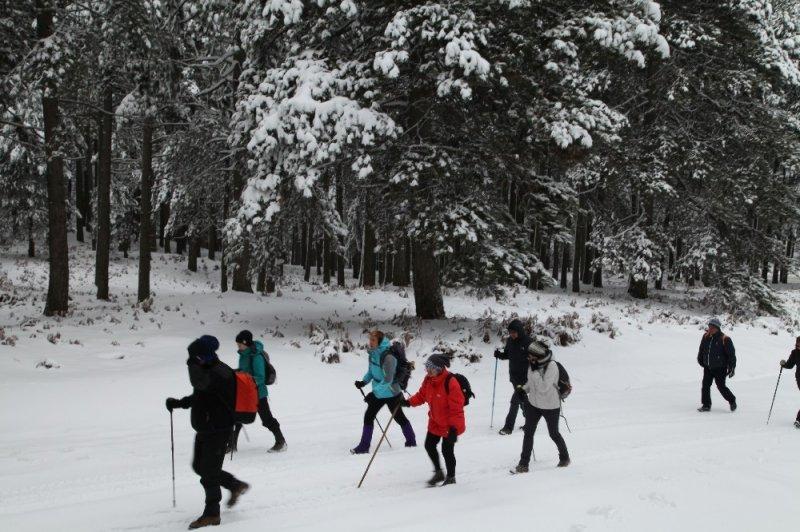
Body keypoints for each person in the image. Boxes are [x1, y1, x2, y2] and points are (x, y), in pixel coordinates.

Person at [165, 335, 249, 530]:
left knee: (209, 472)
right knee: (199, 467)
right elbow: (199, 396)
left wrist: (192, 365)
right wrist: (178, 403)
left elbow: (200, 385)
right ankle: (234, 485)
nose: (193, 360)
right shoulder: (208, 369)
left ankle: (212, 514)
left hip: (219, 431)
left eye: (195, 356)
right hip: (205, 429)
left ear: (204, 355)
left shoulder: (221, 373)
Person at [402, 354, 465, 486]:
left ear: (439, 369)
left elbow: (457, 409)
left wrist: (454, 429)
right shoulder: (429, 380)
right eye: (427, 368)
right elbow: (422, 395)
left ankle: (451, 477)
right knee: (429, 445)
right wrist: (408, 403)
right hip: (435, 420)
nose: (428, 371)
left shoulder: (451, 382)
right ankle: (438, 473)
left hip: (449, 424)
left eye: (431, 369)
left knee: (447, 450)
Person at [351, 330, 416, 454]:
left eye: (373, 340)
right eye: (370, 339)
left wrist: (373, 393)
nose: (370, 342)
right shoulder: (373, 354)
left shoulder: (389, 357)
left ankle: (411, 442)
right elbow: (371, 372)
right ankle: (364, 447)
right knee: (369, 416)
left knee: (399, 417)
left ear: (380, 341)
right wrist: (363, 382)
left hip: (392, 392)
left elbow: (388, 379)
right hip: (379, 392)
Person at [512, 344, 570, 473]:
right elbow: (531, 382)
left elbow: (544, 387)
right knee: (528, 432)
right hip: (534, 404)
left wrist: (534, 371)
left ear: (538, 355)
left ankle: (565, 457)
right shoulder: (534, 363)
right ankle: (523, 464)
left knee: (553, 433)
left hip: (550, 405)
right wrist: (523, 389)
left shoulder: (552, 366)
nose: (529, 357)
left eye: (531, 355)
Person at [231, 330, 286, 453]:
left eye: (240, 344)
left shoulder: (256, 356)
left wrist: (243, 378)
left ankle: (281, 442)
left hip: (258, 393)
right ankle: (232, 444)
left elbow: (260, 378)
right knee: (237, 416)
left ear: (246, 343)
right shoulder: (243, 355)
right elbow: (245, 371)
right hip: (246, 392)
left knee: (266, 419)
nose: (238, 346)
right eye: (237, 344)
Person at [494, 319, 532, 435]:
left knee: (515, 401)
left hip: (525, 378)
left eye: (514, 332)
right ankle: (530, 422)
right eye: (510, 332)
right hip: (514, 377)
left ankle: (508, 427)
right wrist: (499, 355)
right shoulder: (510, 341)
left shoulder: (528, 342)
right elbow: (507, 355)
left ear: (519, 331)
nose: (512, 334)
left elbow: (537, 358)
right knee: (523, 401)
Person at [697, 318, 737, 412]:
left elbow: (731, 355)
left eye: (712, 327)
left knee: (721, 386)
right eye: (709, 326)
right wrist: (700, 359)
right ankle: (706, 405)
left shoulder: (725, 339)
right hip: (708, 367)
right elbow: (702, 349)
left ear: (717, 328)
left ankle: (732, 400)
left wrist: (732, 368)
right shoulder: (705, 336)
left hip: (720, 368)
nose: (710, 329)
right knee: (705, 385)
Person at [779, 336, 800, 428]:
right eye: (798, 343)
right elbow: (790, 365)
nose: (799, 345)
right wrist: (784, 364)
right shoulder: (795, 352)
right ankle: (799, 420)